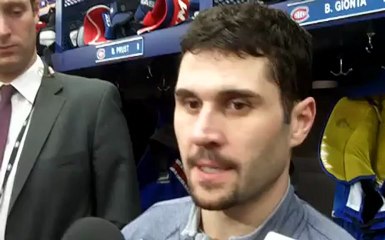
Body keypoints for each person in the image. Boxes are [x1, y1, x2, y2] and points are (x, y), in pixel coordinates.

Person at [123, 3, 355, 240]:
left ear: (300, 122)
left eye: (238, 105)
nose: (201, 133)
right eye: (192, 104)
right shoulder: (143, 232)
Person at [0, 0, 140, 239]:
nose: (2, 30)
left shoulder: (92, 104)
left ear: (35, 13)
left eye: (15, 11)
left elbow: (121, 223)